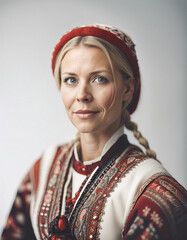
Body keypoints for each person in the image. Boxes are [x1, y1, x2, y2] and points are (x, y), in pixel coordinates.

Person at [1, 24, 187, 240]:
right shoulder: (45, 167)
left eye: (99, 79)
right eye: (71, 80)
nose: (82, 95)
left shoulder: (152, 189)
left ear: (128, 89)